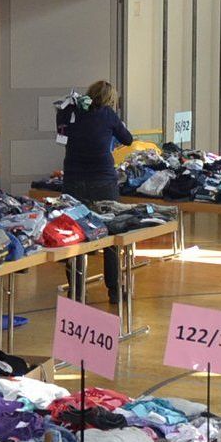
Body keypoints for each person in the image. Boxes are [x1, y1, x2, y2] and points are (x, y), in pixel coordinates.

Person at [60, 79, 134, 307]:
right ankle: (113, 290)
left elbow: (62, 135)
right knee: (110, 236)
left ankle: (76, 290)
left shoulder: (72, 112)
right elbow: (128, 139)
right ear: (110, 99)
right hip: (103, 181)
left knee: (74, 236)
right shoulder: (108, 115)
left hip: (73, 180)